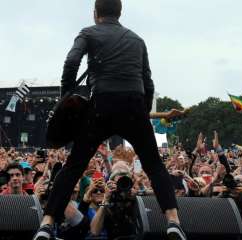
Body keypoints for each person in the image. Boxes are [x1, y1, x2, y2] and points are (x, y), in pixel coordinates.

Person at [33, 1, 186, 239]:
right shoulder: (137, 40)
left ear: (95, 13)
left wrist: (66, 98)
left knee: (74, 165)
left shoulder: (88, 33)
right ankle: (173, 222)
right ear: (120, 12)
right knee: (154, 165)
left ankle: (46, 223)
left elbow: (71, 62)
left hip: (101, 105)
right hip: (134, 104)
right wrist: (142, 115)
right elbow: (148, 82)